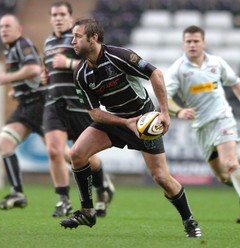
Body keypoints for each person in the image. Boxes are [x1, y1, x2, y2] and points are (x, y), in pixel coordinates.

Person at [60, 18, 202, 238]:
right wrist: (125, 123)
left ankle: (190, 221)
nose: (73, 41)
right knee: (77, 154)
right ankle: (87, 212)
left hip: (144, 121)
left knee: (161, 178)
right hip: (116, 121)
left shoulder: (119, 56)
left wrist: (163, 112)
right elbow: (95, 113)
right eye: (73, 37)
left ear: (93, 38)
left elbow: (156, 74)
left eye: (78, 37)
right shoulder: (80, 74)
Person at [165, 25, 240, 223]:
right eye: (188, 41)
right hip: (201, 127)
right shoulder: (177, 69)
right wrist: (179, 111)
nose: (192, 45)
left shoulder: (217, 62)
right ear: (183, 44)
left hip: (222, 117)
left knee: (231, 163)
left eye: (196, 41)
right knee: (223, 177)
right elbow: (164, 98)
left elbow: (235, 82)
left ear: (203, 43)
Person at [41, 2, 114, 218]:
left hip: (79, 104)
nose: (58, 18)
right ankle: (63, 199)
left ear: (70, 17)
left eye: (62, 14)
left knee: (85, 156)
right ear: (50, 18)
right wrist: (46, 76)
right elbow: (50, 68)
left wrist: (69, 64)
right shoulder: (48, 41)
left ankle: (103, 188)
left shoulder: (78, 37)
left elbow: (95, 63)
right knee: (54, 150)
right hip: (54, 103)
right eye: (54, 14)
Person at [0, 14, 47, 209]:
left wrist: (7, 78)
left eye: (8, 26)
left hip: (40, 105)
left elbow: (33, 69)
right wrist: (17, 89)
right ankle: (17, 193)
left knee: (61, 153)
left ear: (19, 29)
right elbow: (29, 77)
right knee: (4, 143)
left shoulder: (23, 44)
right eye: (1, 27)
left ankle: (99, 179)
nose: (4, 30)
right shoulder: (10, 50)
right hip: (25, 106)